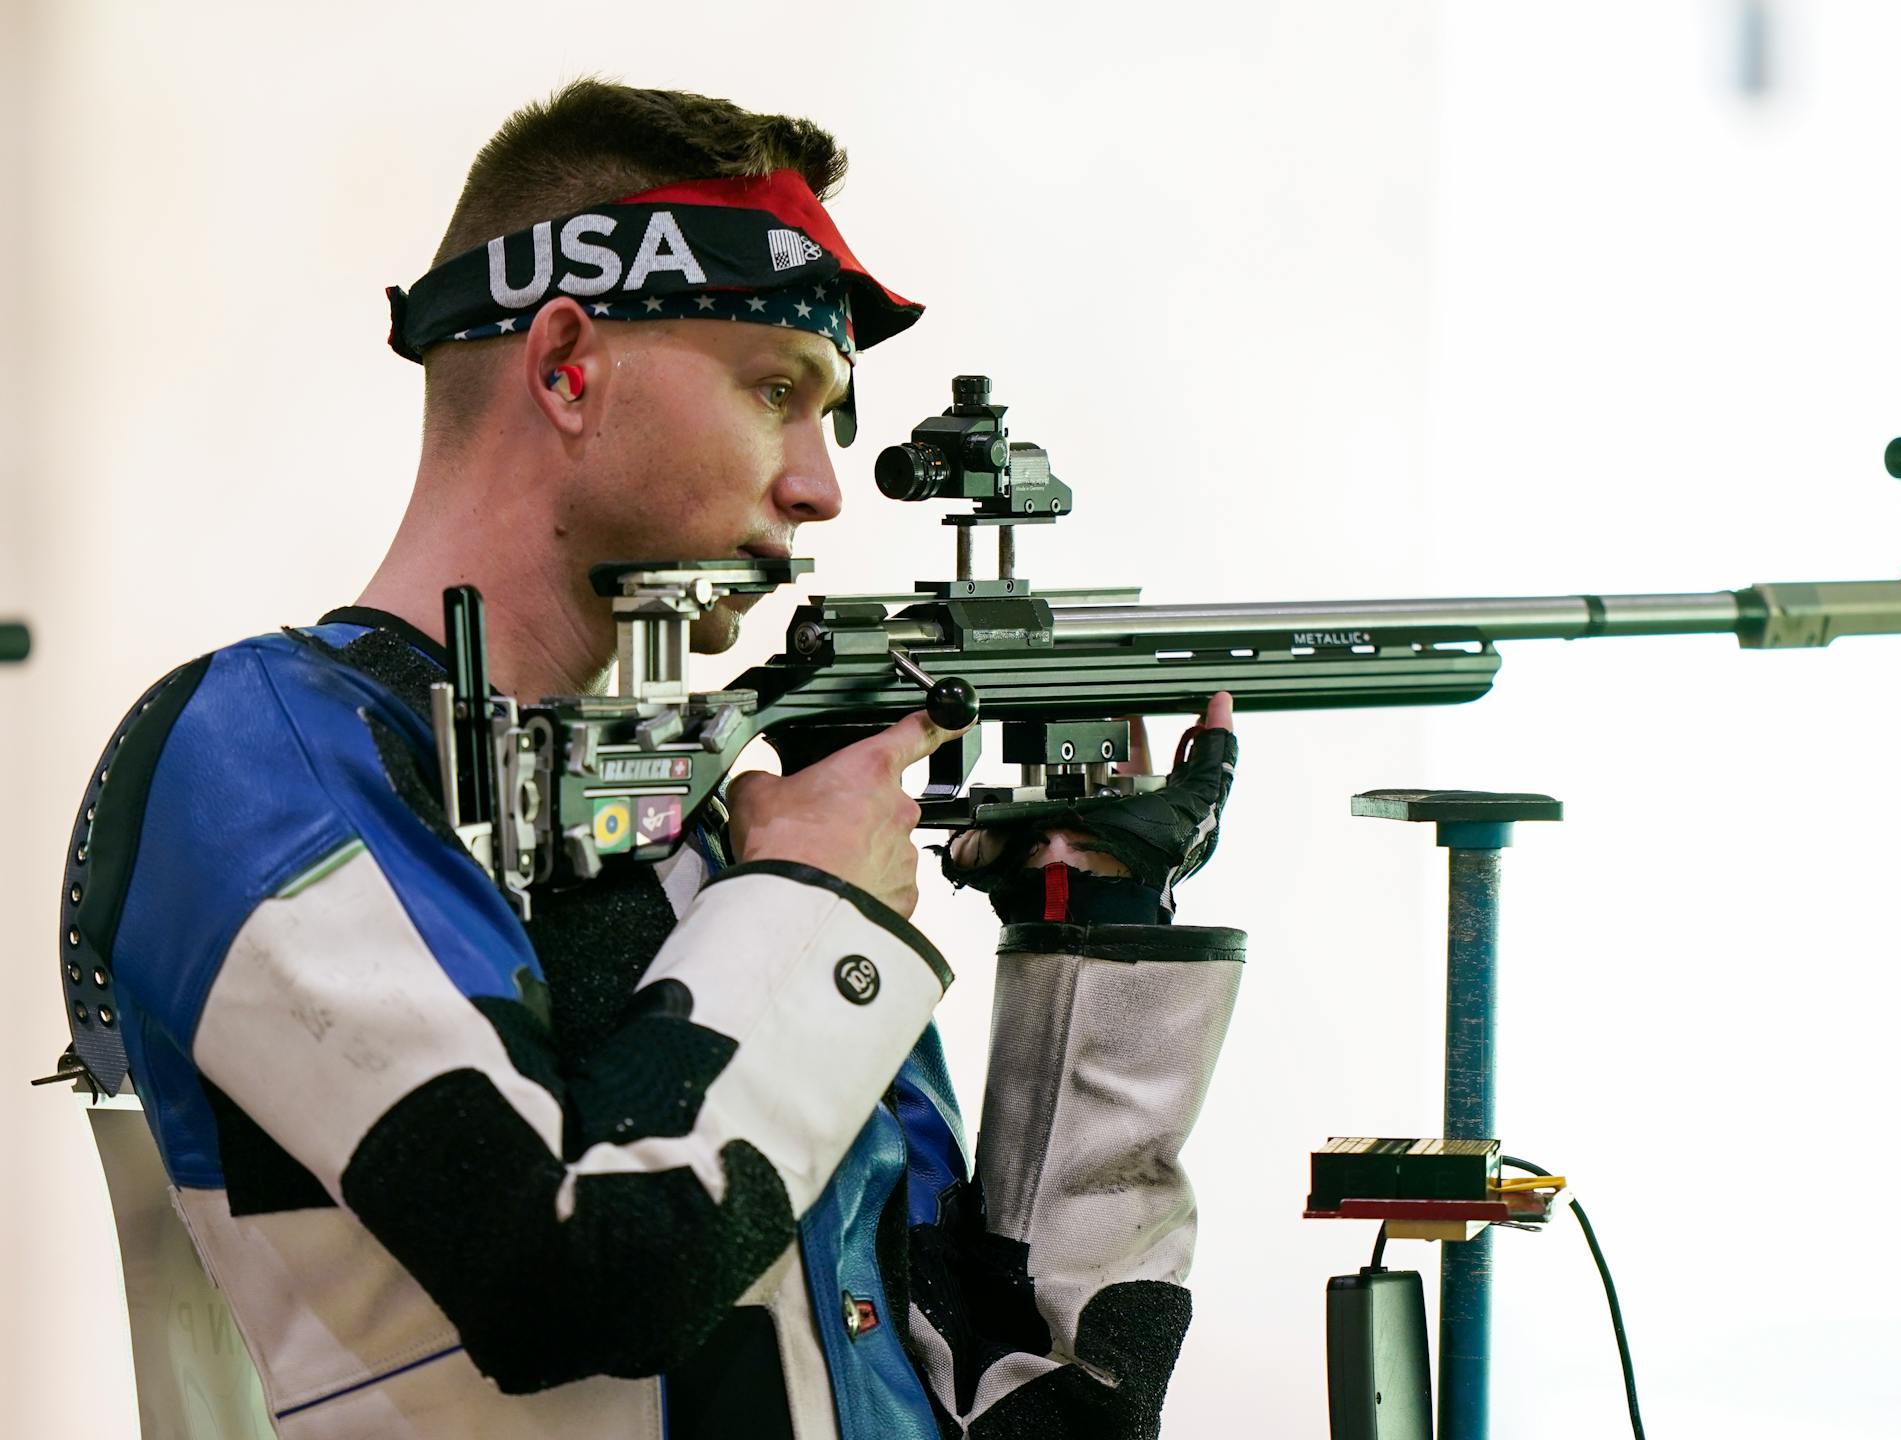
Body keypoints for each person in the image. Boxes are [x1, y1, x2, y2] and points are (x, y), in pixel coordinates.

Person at [58, 81, 1244, 1439]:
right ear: (567, 367)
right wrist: (815, 915)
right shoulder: (260, 755)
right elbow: (573, 1281)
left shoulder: (725, 840)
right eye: (777, 389)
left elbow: (1042, 1412)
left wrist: (1091, 930)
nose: (820, 485)